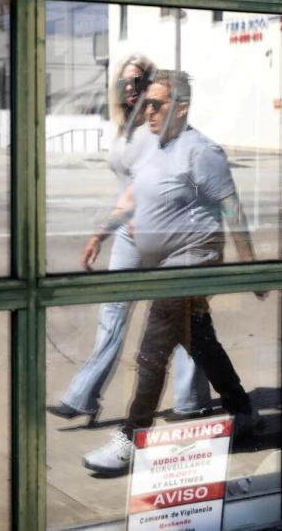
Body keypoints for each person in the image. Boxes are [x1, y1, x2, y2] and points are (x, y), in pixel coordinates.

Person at [82, 69, 262, 475]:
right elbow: (130, 197)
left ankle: (131, 439)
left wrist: (250, 265)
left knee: (151, 353)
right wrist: (100, 234)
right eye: (146, 103)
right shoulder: (151, 147)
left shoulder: (201, 151)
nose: (148, 111)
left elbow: (231, 208)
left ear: (181, 108)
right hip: (163, 266)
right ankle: (244, 413)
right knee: (201, 341)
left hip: (190, 265)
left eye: (157, 104)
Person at [47, 56, 211, 424]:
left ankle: (191, 400)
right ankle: (82, 396)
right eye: (125, 82)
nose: (130, 89)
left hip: (166, 235)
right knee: (112, 313)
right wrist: (99, 234)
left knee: (180, 319)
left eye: (138, 81)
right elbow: (125, 191)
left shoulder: (162, 129)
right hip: (128, 232)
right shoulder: (124, 129)